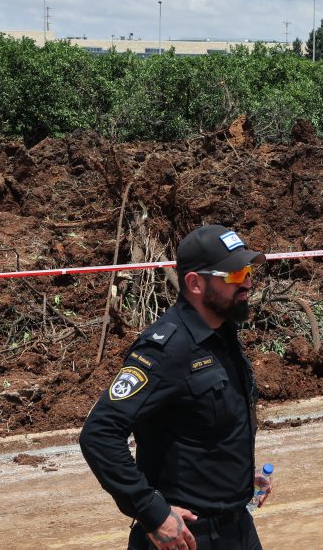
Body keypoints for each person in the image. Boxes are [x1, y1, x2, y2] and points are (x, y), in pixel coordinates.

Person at [80, 225, 268, 550]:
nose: (248, 283)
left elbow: (209, 427)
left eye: (248, 271)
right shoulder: (167, 349)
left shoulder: (223, 336)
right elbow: (99, 434)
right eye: (235, 275)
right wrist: (152, 512)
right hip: (187, 539)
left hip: (238, 529)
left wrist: (235, 476)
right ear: (195, 283)